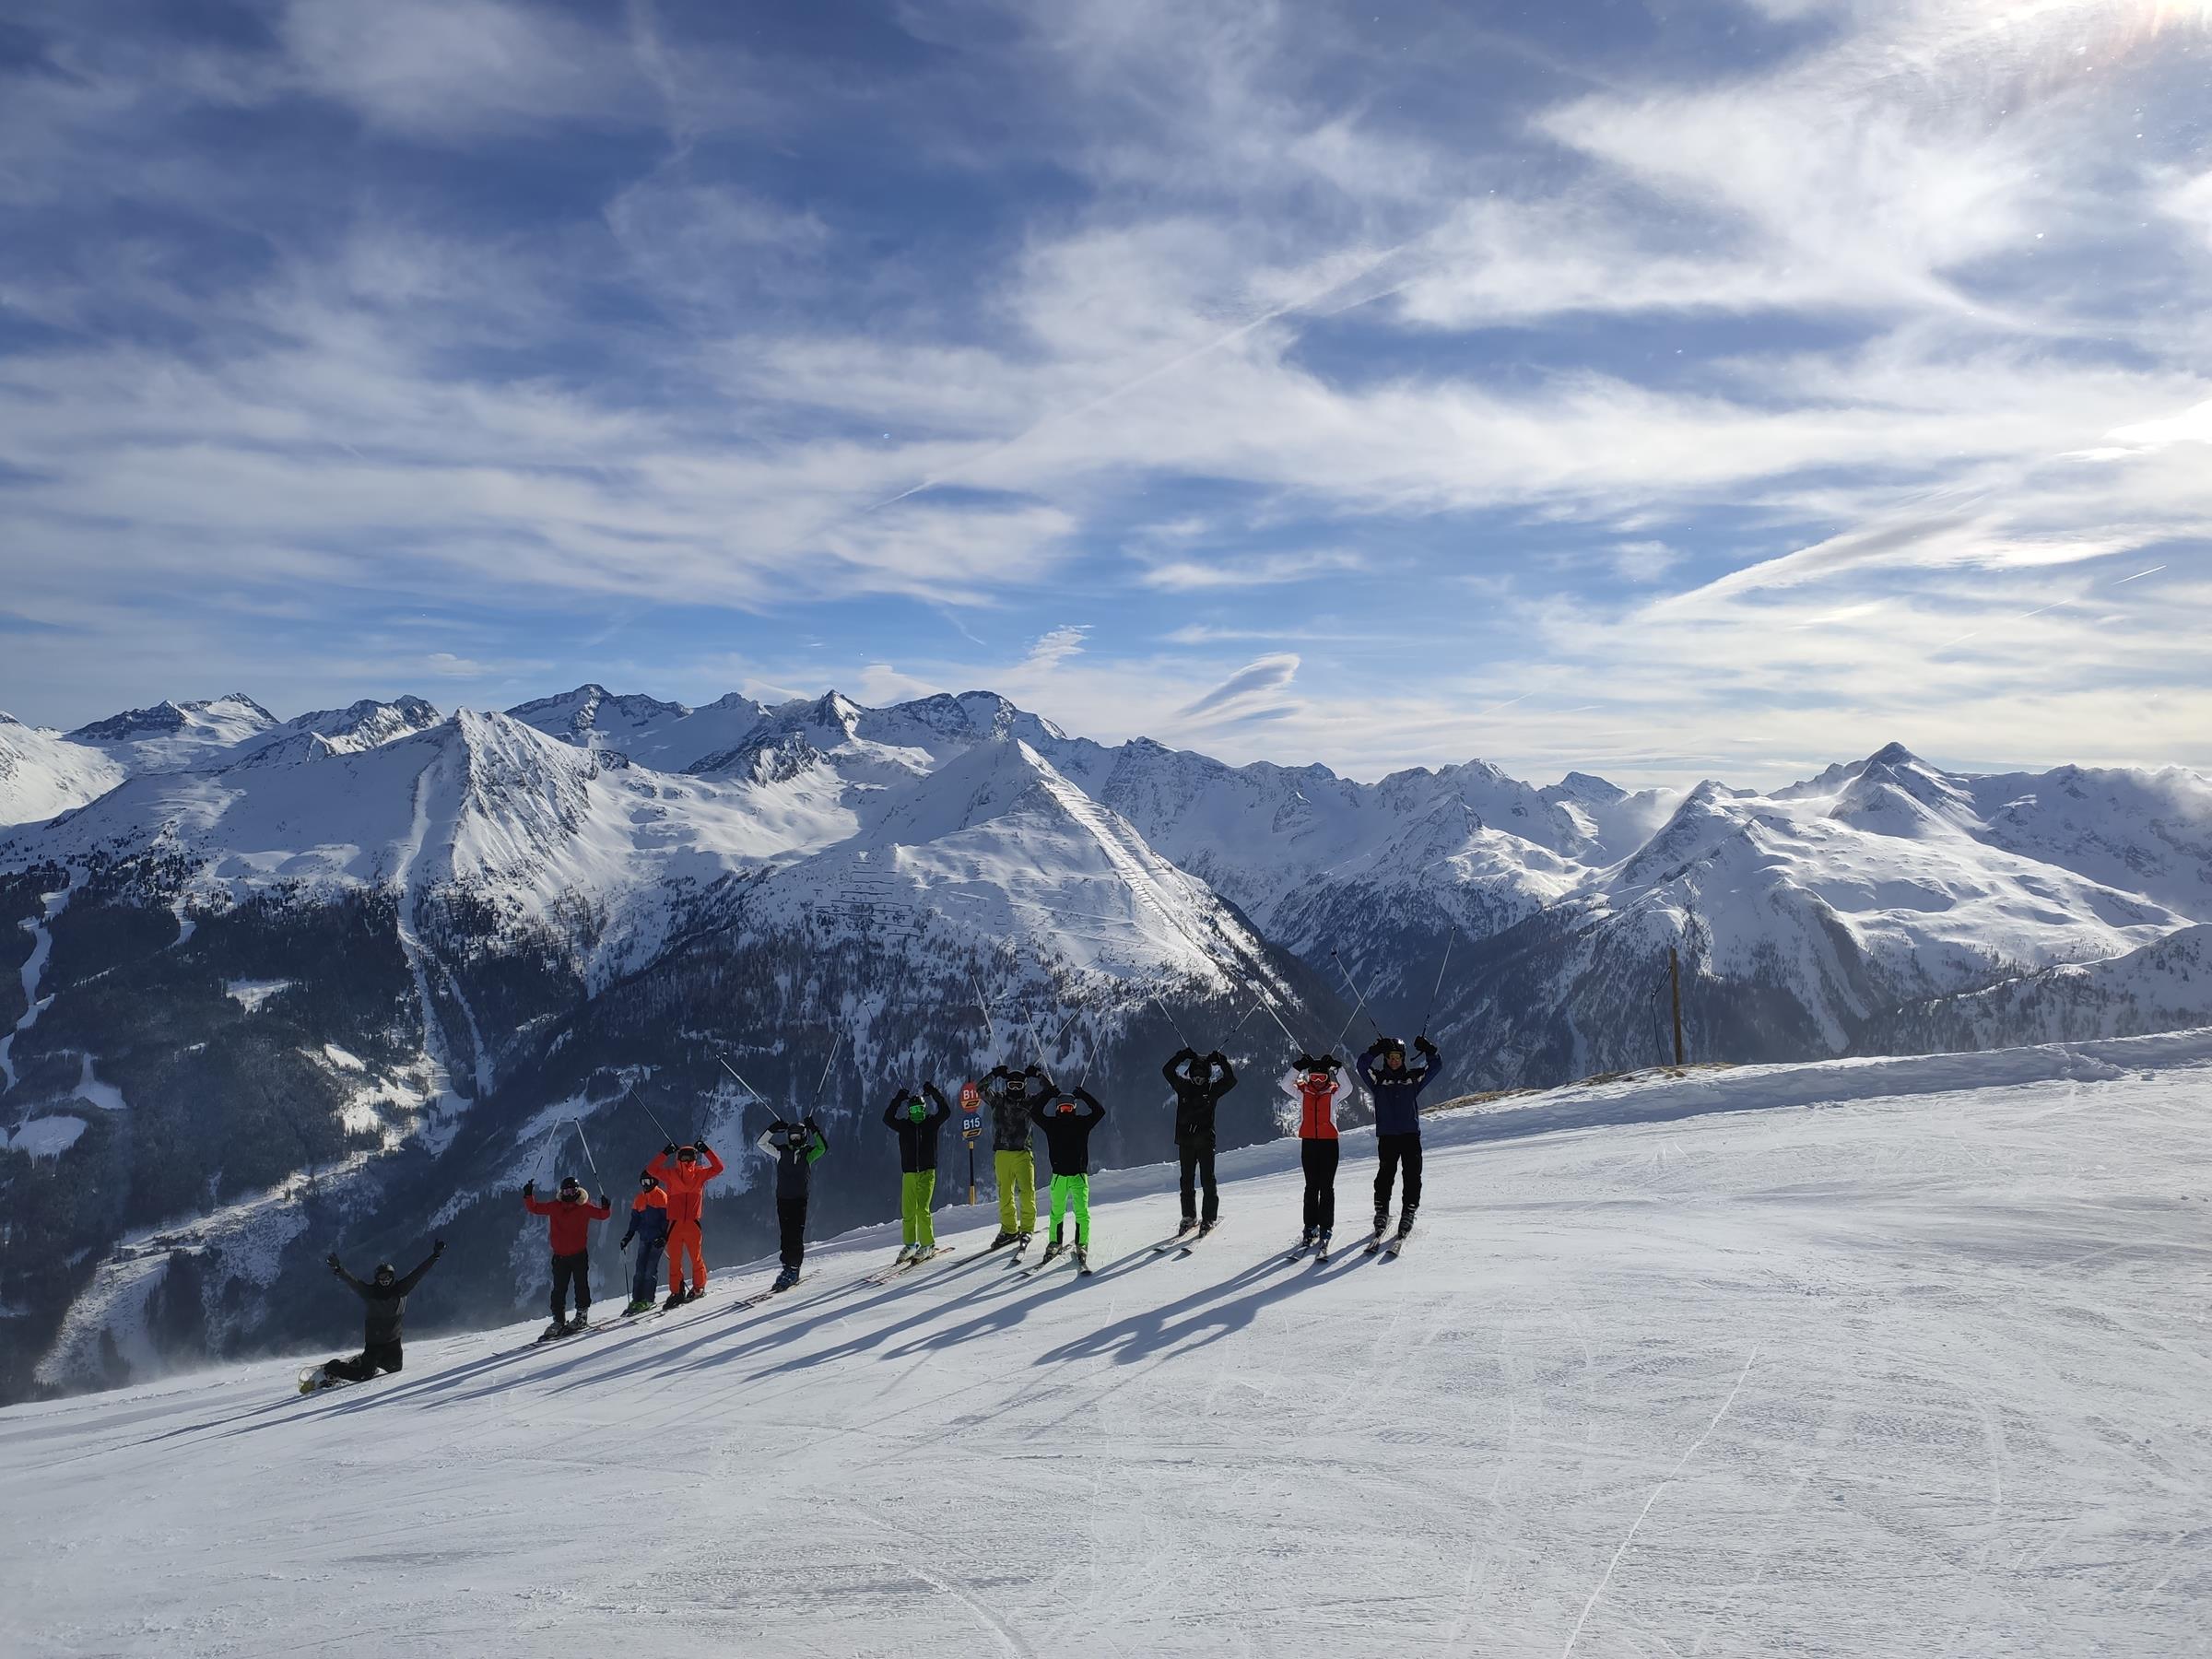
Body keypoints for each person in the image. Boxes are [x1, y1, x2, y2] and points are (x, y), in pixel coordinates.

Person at [313, 1240, 443, 1388]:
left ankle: (361, 1362)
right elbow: (353, 1282)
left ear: (392, 1276)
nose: (385, 1280)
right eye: (382, 1278)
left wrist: (435, 1256)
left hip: (393, 1341)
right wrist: (339, 1269)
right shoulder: (370, 1293)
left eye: (388, 1277)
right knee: (364, 1375)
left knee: (395, 1368)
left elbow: (418, 1273)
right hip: (374, 1344)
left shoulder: (401, 1290)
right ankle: (333, 1367)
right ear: (377, 1279)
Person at [1359, 1034, 1441, 1240]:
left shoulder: (1413, 1078)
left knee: (1412, 1175)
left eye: (1397, 1057)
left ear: (1403, 1058)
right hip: (1387, 1136)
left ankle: (1409, 1211)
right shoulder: (1378, 1080)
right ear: (1385, 1059)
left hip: (1410, 1135)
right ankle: (1381, 1211)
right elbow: (1361, 1065)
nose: (1394, 1061)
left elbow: (1436, 1067)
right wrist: (1374, 1050)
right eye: (1390, 1057)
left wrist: (1430, 1050)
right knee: (1385, 1175)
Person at [1029, 1076, 1107, 1274]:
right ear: (1057, 1109)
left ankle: (1082, 1244)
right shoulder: (1052, 1124)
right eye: (1062, 1108)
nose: (1066, 1110)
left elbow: (1100, 1111)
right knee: (1057, 1213)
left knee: (1082, 1213)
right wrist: (1049, 1093)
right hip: (1059, 1176)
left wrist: (1082, 1095)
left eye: (1069, 1107)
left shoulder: (1082, 1123)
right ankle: (1055, 1242)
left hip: (1078, 1176)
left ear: (1074, 1108)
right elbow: (1034, 1112)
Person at [523, 1173, 613, 1336]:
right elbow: (535, 1208)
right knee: (558, 1290)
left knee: (580, 1286)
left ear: (578, 1191)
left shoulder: (584, 1207)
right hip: (560, 1257)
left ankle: (581, 1316)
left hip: (577, 1255)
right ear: (561, 1192)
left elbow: (602, 1215)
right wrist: (528, 1196)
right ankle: (558, 1320)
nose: (569, 1194)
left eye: (572, 1191)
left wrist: (606, 1207)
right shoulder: (556, 1207)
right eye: (566, 1192)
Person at [1162, 1046, 1237, 1235]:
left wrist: (1222, 1062)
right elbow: (1167, 1071)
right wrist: (1181, 1056)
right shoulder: (1183, 1086)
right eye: (1195, 1074)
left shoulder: (1212, 1089)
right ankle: (1189, 1217)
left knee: (1207, 1181)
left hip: (1205, 1142)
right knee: (1186, 1181)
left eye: (1202, 1075)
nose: (1198, 1078)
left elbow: (1231, 1080)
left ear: (1208, 1075)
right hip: (1186, 1142)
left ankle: (1209, 1218)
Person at [646, 1138, 725, 1309]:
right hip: (690, 1225)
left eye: (689, 1157)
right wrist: (706, 1150)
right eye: (685, 1157)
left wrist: (665, 1152)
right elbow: (719, 1167)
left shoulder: (671, 1175)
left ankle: (677, 1292)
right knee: (693, 1259)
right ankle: (697, 1288)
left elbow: (651, 1170)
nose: (687, 1161)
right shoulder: (700, 1173)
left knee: (676, 1261)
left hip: (676, 1225)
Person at [757, 1113, 829, 1289]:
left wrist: (814, 1128)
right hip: (783, 1199)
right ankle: (787, 1266)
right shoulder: (781, 1152)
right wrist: (773, 1129)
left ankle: (794, 1269)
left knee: (795, 1235)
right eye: (792, 1136)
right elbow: (761, 1144)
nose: (795, 1139)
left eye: (798, 1136)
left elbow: (823, 1148)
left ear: (804, 1137)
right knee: (785, 1235)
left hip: (798, 1200)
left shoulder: (808, 1154)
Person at [882, 1082, 952, 1263]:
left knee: (922, 1209)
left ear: (924, 1108)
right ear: (909, 1111)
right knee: (908, 1211)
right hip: (909, 1174)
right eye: (913, 1111)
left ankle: (927, 1244)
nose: (916, 1114)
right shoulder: (904, 1126)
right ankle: (911, 1244)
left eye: (919, 1109)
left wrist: (934, 1092)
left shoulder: (931, 1122)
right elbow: (887, 1118)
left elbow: (946, 1111)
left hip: (927, 1172)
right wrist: (898, 1099)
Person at [1281, 1053, 1343, 1256]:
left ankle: (1326, 1226)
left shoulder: (1334, 1092)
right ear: (1308, 1077)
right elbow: (1285, 1084)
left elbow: (1349, 1087)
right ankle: (1310, 1226)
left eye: (1322, 1077)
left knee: (1326, 1187)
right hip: (1309, 1144)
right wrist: (1297, 1067)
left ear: (1327, 1078)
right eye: (1314, 1077)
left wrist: (1336, 1068)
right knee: (1311, 1186)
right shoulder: (1303, 1092)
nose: (1317, 1082)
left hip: (1329, 1144)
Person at [982, 1062, 1044, 1248]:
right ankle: (1009, 1230)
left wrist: (1038, 1074)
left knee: (1026, 1193)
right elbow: (979, 1089)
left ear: (1024, 1086)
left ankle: (1027, 1229)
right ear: (1006, 1086)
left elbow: (1052, 1092)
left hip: (1023, 1153)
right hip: (1002, 1153)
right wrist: (994, 1073)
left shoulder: (1030, 1102)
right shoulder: (998, 1100)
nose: (1015, 1089)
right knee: (1004, 1193)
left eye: (1018, 1085)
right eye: (1011, 1085)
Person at [618, 1171, 671, 1315]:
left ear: (654, 1182)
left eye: (648, 1182)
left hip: (656, 1239)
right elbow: (635, 1220)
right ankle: (637, 1299)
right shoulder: (639, 1199)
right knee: (639, 1269)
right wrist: (627, 1237)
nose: (645, 1185)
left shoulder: (661, 1197)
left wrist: (664, 1237)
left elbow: (667, 1220)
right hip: (644, 1238)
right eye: (643, 1182)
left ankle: (648, 1299)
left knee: (650, 1270)